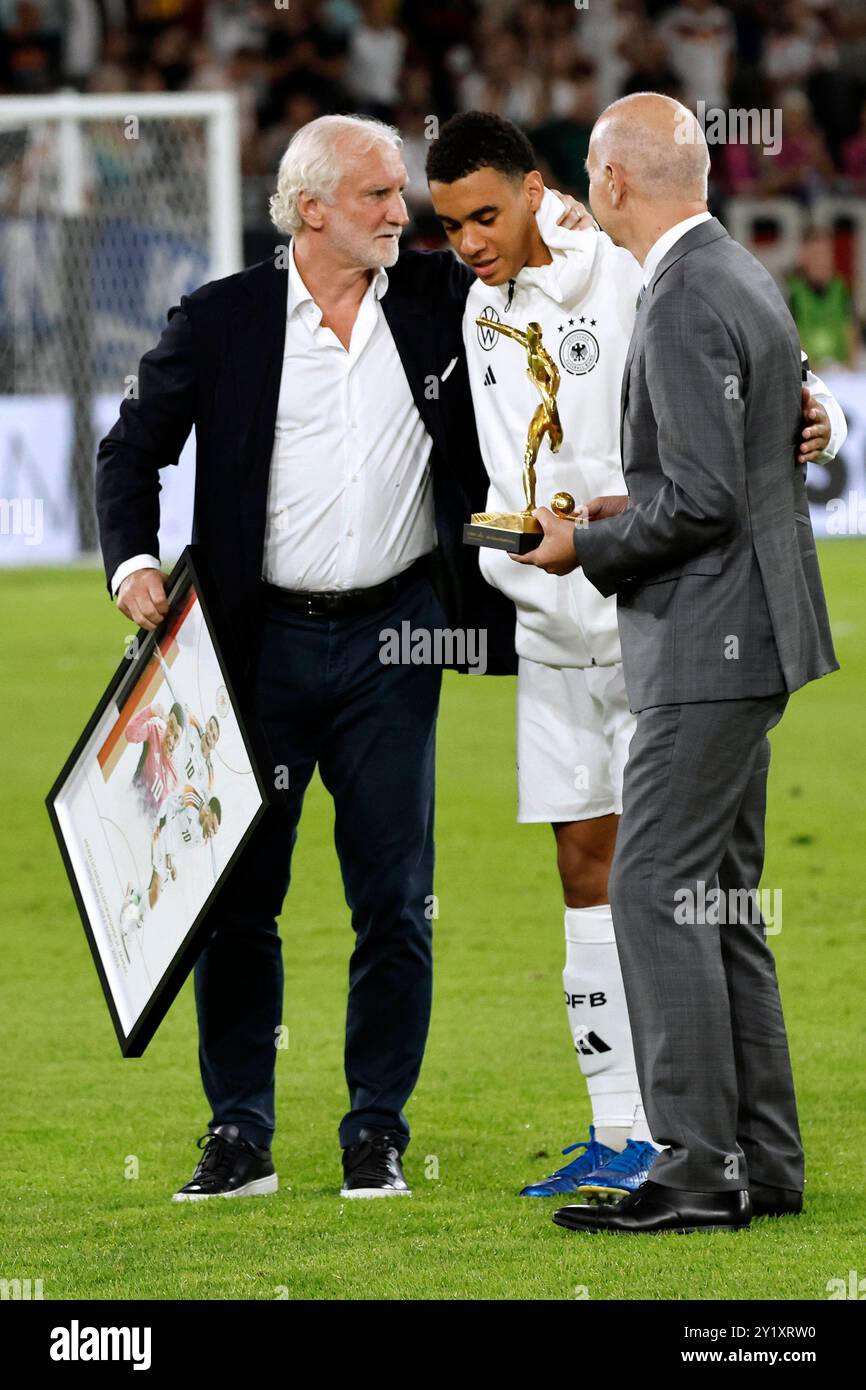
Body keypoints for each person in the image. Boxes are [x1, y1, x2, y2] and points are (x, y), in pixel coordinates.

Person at [96, 113, 523, 1203]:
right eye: (380, 194)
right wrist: (133, 564)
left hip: (396, 637)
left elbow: (565, 272)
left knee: (395, 898)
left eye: (401, 195)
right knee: (240, 897)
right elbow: (130, 444)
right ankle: (239, 1132)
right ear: (309, 208)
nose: (403, 211)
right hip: (255, 648)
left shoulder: (437, 298)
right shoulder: (223, 318)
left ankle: (374, 1128)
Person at [427, 110, 845, 1203]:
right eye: (445, 223)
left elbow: (715, 482)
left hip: (678, 623)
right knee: (714, 899)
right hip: (641, 617)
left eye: (484, 212)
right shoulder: (723, 266)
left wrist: (596, 536)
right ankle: (753, 1157)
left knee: (653, 887)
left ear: (579, 185)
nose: (465, 240)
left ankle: (694, 1164)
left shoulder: (653, 281)